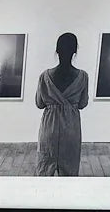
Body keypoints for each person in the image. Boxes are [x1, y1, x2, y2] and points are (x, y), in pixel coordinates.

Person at [35, 32, 88, 176]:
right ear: (75, 51)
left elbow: (39, 103)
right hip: (71, 128)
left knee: (45, 168)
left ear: (57, 50)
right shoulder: (83, 76)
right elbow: (83, 103)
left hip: (49, 127)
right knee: (70, 170)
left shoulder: (45, 76)